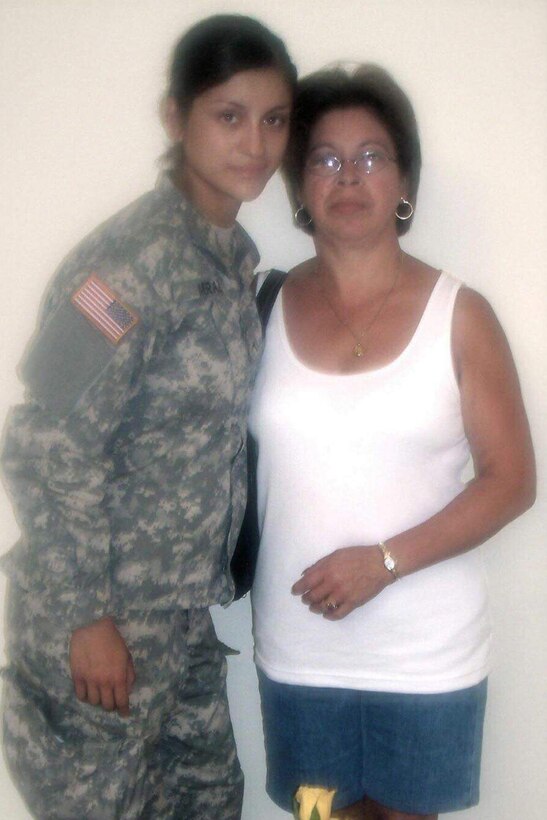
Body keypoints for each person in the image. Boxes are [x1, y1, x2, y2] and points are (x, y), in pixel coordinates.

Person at [0, 14, 295, 820]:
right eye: (228, 116)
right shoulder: (127, 265)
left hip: (178, 619)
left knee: (208, 800)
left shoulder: (229, 260)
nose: (256, 144)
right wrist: (87, 618)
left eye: (273, 120)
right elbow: (46, 440)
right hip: (98, 621)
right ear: (177, 118)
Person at [250, 65, 535, 820]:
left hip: (425, 660)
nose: (349, 176)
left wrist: (381, 563)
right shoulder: (259, 309)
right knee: (315, 815)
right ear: (300, 185)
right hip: (298, 658)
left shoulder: (460, 314)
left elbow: (511, 480)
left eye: (372, 155)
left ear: (404, 180)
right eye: (325, 158)